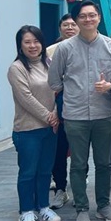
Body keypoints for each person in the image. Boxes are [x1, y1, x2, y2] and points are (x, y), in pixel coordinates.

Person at [47, 0, 111, 221]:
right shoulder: (64, 48)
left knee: (104, 163)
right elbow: (54, 81)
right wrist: (75, 90)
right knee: (78, 164)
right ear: (76, 20)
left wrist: (110, 85)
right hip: (75, 116)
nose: (88, 19)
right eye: (83, 16)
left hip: (104, 114)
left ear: (99, 18)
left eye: (92, 15)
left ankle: (103, 206)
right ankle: (82, 209)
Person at [8, 25, 62, 221]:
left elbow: (58, 89)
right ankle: (26, 211)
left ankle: (43, 207)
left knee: (45, 170)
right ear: (20, 46)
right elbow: (25, 98)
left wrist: (56, 113)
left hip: (50, 128)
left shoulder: (49, 63)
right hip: (27, 130)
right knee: (28, 172)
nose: (33, 46)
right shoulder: (17, 68)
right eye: (27, 42)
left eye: (36, 41)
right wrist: (49, 117)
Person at [45, 14, 78, 209]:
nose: (70, 28)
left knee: (80, 152)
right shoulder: (50, 51)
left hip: (80, 110)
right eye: (66, 25)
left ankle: (80, 189)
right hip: (58, 108)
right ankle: (60, 189)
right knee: (58, 151)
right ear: (60, 28)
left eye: (73, 24)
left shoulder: (87, 48)